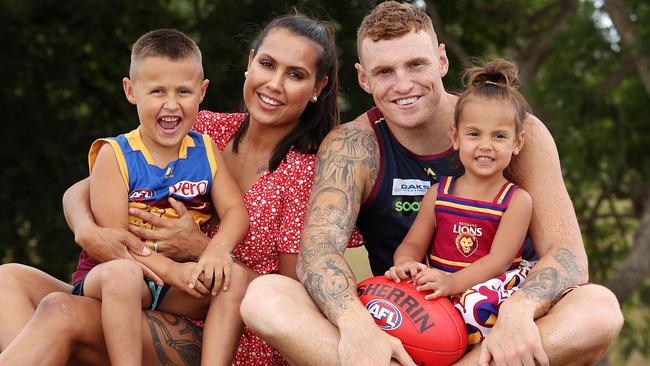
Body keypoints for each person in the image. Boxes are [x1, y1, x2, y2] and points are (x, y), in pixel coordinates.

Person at [240, 2, 623, 366]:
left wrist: (520, 311)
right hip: (405, 324)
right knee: (265, 297)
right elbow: (318, 251)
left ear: (441, 60)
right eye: (385, 72)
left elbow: (568, 257)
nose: (403, 84)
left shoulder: (516, 131)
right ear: (363, 78)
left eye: (416, 64)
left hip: (499, 323)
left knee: (598, 310)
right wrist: (354, 324)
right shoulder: (352, 145)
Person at [0, 14, 361, 366]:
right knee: (9, 280)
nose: (275, 83)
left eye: (295, 75)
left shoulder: (306, 173)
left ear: (317, 88)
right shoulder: (202, 127)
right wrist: (88, 231)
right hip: (145, 286)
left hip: (227, 326)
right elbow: (87, 187)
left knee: (61, 313)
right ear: (250, 62)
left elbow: (289, 296)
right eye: (268, 64)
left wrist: (203, 249)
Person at [73, 28, 250, 366]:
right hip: (116, 275)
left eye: (183, 91)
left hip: (174, 282)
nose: (171, 104)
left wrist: (215, 252)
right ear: (131, 91)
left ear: (202, 91)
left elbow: (236, 212)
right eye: (157, 91)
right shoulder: (115, 155)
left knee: (233, 278)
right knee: (124, 277)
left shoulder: (205, 150)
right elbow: (118, 247)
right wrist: (170, 270)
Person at [385, 58, 533, 347]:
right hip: (443, 285)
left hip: (489, 289)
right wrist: (405, 263)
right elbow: (414, 244)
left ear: (517, 143)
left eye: (499, 136)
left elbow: (498, 261)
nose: (485, 145)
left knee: (476, 305)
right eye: (474, 134)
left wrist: (453, 283)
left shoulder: (516, 200)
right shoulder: (439, 193)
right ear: (456, 137)